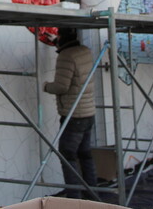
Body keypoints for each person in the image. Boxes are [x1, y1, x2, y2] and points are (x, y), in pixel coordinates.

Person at [43, 27, 97, 199]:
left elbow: (61, 86)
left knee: (67, 156)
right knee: (85, 154)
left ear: (61, 37)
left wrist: (45, 86)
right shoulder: (85, 51)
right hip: (88, 113)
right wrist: (57, 43)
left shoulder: (66, 56)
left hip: (74, 115)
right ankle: (93, 194)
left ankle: (74, 197)